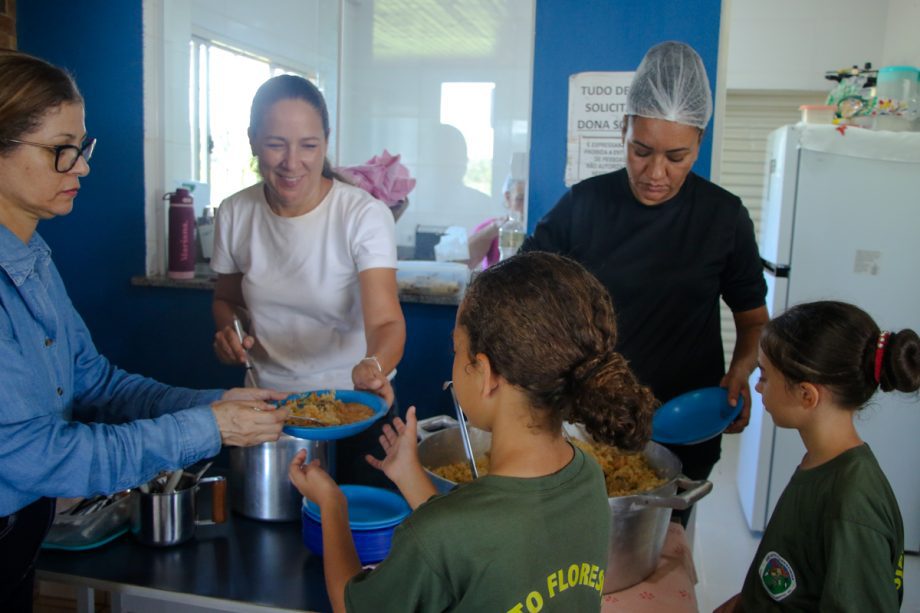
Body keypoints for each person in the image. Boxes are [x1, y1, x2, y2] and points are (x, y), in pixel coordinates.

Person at [0, 50, 288, 612]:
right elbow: (41, 455)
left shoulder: (31, 257)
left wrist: (215, 403)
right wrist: (208, 428)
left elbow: (95, 383)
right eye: (61, 150)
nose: (81, 167)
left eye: (83, 148)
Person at [289, 251, 659, 613]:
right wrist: (409, 475)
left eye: (456, 349)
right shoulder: (587, 477)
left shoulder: (439, 535)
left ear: (485, 375)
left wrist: (333, 504)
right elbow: (480, 549)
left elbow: (351, 605)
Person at [522, 41, 768, 516]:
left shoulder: (724, 218)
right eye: (641, 151)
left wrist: (741, 370)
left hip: (684, 424)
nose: (656, 173)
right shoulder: (584, 205)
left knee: (658, 550)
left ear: (700, 142)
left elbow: (755, 320)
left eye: (677, 156)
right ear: (623, 130)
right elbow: (523, 289)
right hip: (586, 424)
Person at [209, 74, 405, 482]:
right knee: (267, 538)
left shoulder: (362, 215)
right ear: (252, 141)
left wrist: (373, 365)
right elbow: (225, 299)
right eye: (276, 144)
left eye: (308, 145)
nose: (292, 162)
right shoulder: (234, 212)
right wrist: (229, 329)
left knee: (358, 537)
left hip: (354, 406)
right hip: (267, 410)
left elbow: (386, 321)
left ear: (326, 143)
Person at [715, 301, 915, 612]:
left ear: (807, 395)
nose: (757, 386)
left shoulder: (853, 504)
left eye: (765, 376)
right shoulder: (821, 462)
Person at [467, 174, 526, 270]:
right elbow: (464, 263)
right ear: (508, 197)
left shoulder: (544, 230)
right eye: (520, 199)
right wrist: (490, 231)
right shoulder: (495, 228)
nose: (525, 207)